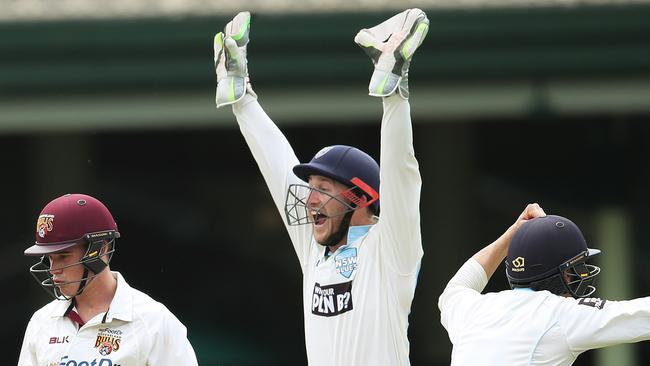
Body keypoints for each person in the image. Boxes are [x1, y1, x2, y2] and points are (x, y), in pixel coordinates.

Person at [213, 9, 429, 365]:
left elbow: (402, 175)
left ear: (361, 197)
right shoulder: (316, 252)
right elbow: (277, 167)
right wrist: (243, 101)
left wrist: (394, 96)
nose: (310, 198)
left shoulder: (391, 252)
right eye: (311, 186)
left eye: (324, 187)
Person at [438, 205, 650, 365]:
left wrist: (513, 234)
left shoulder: (474, 311)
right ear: (561, 274)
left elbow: (457, 287)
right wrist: (515, 233)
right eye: (574, 269)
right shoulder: (560, 315)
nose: (579, 276)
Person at [18, 193, 198, 366]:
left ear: (101, 249)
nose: (53, 270)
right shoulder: (42, 322)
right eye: (50, 258)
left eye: (64, 256)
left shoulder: (154, 322)